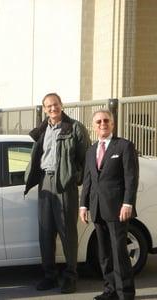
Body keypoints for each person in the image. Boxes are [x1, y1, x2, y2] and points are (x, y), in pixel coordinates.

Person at [24, 93, 90, 293]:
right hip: (45, 182)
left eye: (55, 105)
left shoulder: (75, 128)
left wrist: (73, 177)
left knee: (67, 232)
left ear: (61, 105)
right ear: (44, 109)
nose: (52, 109)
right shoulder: (44, 128)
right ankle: (50, 275)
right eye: (48, 106)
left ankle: (70, 276)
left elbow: (84, 159)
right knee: (45, 232)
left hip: (64, 184)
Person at [80, 109, 138, 300]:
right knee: (104, 254)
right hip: (97, 209)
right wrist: (83, 205)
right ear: (94, 126)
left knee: (119, 253)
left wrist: (128, 203)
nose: (102, 124)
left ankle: (125, 293)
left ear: (112, 124)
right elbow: (88, 180)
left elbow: (131, 178)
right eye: (98, 122)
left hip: (117, 209)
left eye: (106, 120)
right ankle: (110, 290)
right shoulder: (91, 150)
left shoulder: (124, 146)